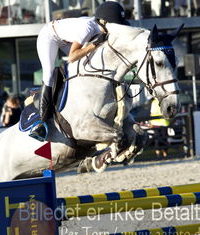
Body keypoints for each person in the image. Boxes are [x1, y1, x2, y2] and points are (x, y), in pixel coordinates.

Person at [29, 1, 130, 141]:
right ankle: (41, 122)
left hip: (67, 39)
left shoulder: (100, 28)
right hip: (50, 36)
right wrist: (95, 44)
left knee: (84, 65)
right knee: (49, 74)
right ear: (104, 22)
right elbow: (72, 56)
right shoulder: (88, 28)